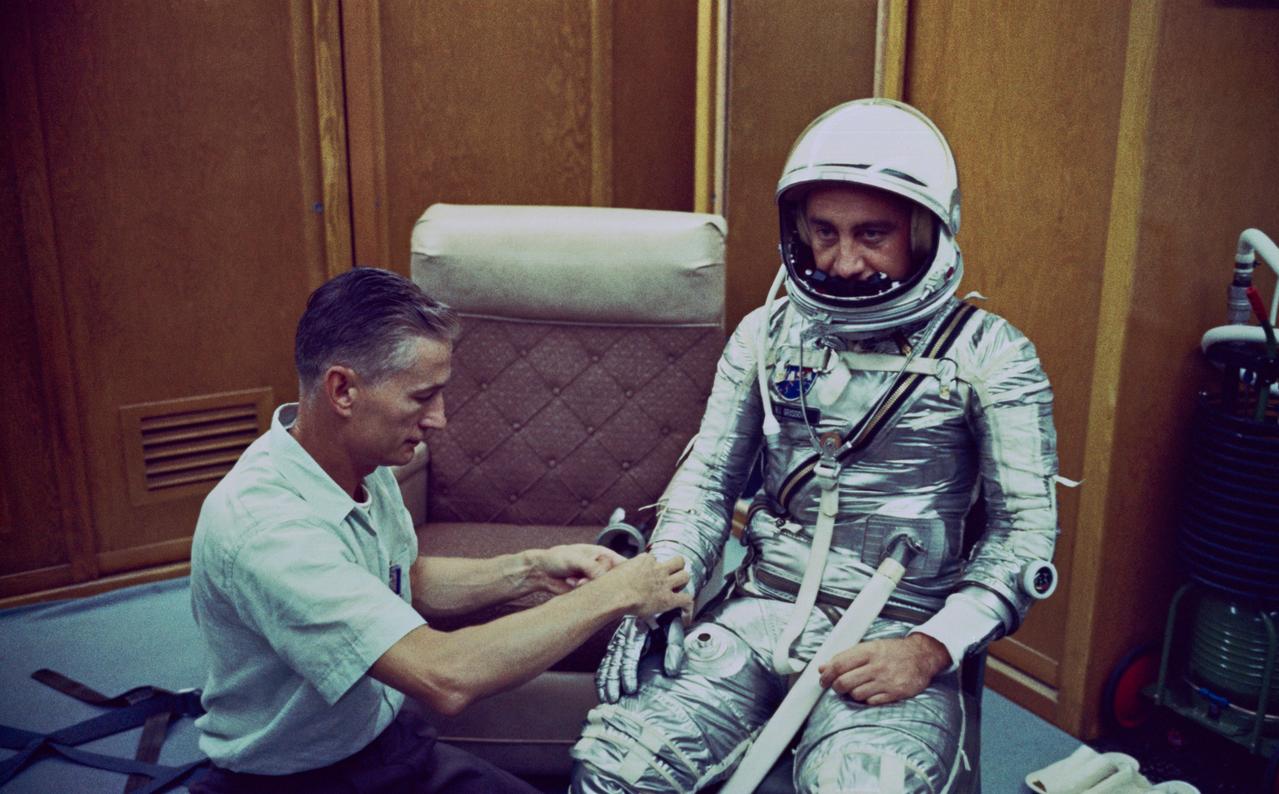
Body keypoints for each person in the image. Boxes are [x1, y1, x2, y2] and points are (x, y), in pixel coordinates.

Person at [571, 98, 1060, 792]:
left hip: (894, 628)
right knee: (612, 768)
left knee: (863, 785)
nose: (843, 261)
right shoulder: (765, 335)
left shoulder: (991, 356)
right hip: (759, 610)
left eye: (872, 234)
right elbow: (708, 481)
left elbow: (1022, 536)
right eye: (823, 233)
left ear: (923, 232)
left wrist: (928, 649)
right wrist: (666, 580)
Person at [188, 267, 691, 793]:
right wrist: (618, 593)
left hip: (385, 744)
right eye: (421, 396)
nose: (440, 419)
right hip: (295, 782)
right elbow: (445, 676)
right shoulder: (268, 530)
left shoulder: (361, 462)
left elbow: (401, 578)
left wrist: (531, 570)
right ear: (342, 390)